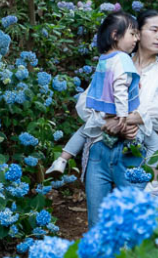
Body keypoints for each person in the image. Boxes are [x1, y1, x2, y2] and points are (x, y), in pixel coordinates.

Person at [70, 10, 158, 226]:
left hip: (136, 157)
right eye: (155, 30)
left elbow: (156, 116)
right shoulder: (112, 63)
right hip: (101, 152)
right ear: (137, 33)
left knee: (133, 223)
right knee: (98, 222)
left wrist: (117, 121)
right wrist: (111, 123)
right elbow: (84, 103)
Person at [46, 12, 139, 175]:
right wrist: (123, 114)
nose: (136, 39)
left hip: (98, 108)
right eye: (132, 34)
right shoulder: (123, 59)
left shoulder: (105, 58)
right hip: (114, 110)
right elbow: (120, 87)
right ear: (115, 35)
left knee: (84, 130)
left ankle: (62, 159)